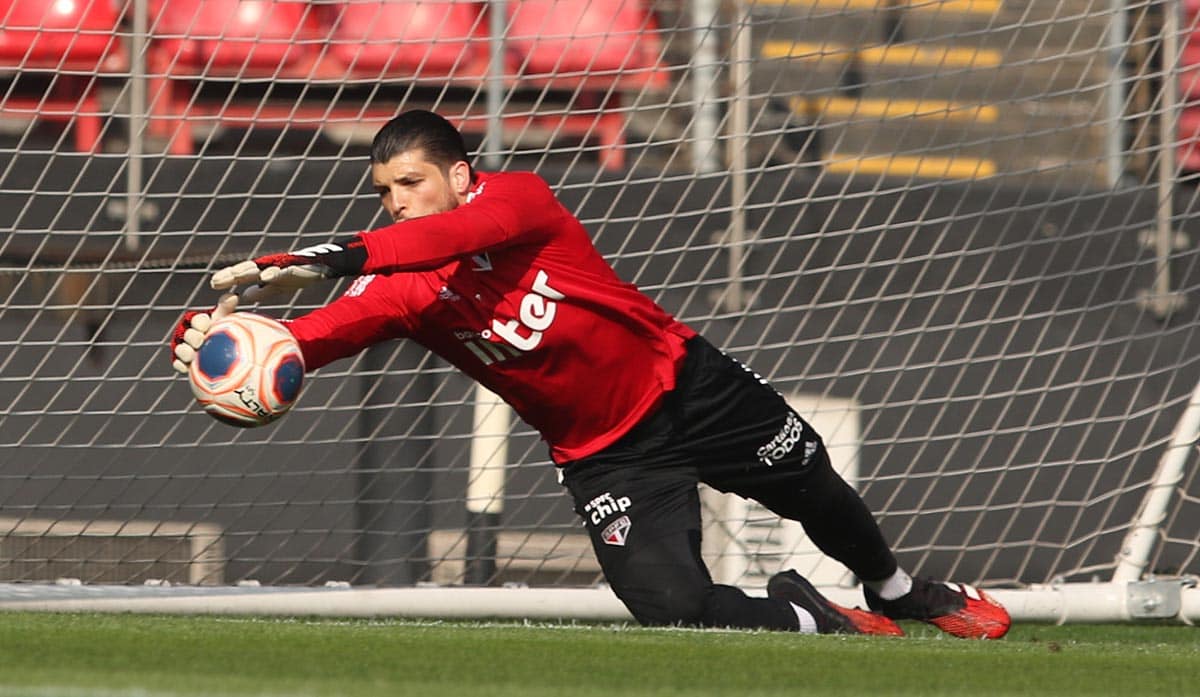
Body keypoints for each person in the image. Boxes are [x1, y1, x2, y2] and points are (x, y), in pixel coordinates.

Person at [171, 109, 1011, 639]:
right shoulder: (399, 289)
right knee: (671, 608)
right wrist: (220, 347)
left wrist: (334, 255)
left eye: (411, 182)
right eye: (384, 189)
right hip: (608, 454)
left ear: (461, 176)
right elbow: (300, 346)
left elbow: (433, 241)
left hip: (681, 382)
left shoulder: (521, 200)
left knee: (811, 479)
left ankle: (900, 589)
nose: (396, 202)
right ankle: (811, 615)